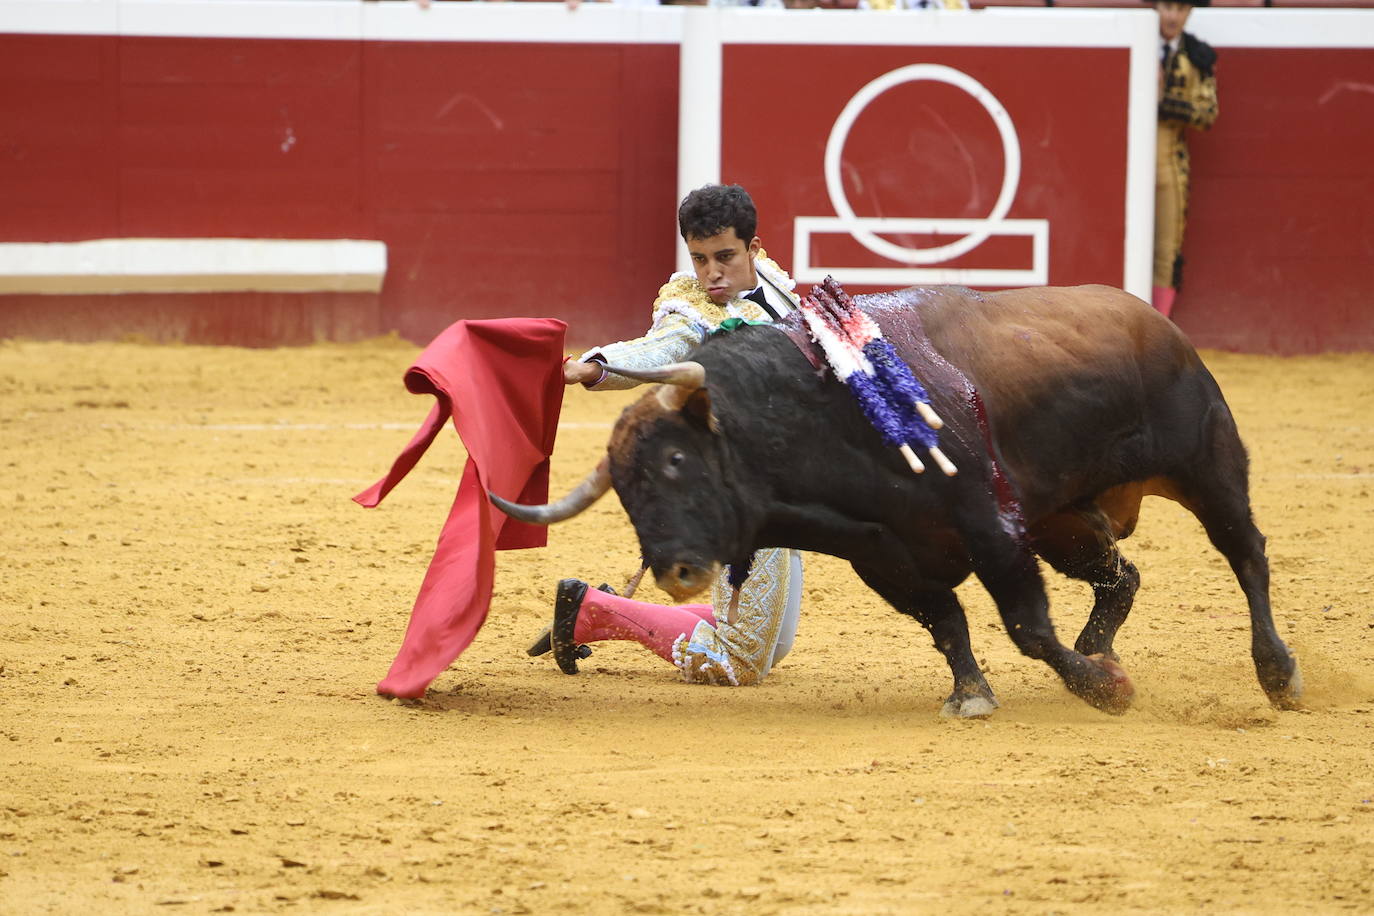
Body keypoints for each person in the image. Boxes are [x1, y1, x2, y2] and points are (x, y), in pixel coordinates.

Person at [531, 184, 805, 687]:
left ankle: (598, 608)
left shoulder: (774, 283)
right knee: (740, 662)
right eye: (699, 259)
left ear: (754, 248)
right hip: (734, 492)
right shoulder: (690, 306)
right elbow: (660, 351)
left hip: (781, 485)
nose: (711, 274)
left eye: (724, 257)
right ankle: (596, 611)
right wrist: (596, 367)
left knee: (773, 647)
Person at [1148, 0, 1218, 319]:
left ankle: (1157, 328)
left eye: (1180, 8)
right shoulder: (1136, 44)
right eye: (1166, 7)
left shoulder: (1198, 57)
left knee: (1166, 253)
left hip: (1169, 164)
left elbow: (1208, 114)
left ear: (1190, 13)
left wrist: (1163, 103)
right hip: (1124, 161)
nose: (1172, 15)